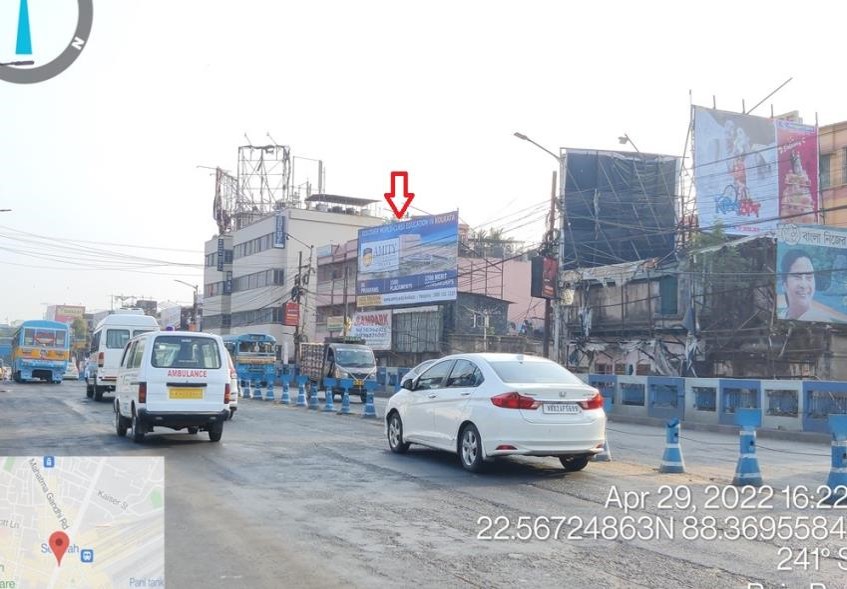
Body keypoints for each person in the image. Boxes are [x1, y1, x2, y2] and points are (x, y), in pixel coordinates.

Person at [780, 249, 831, 321]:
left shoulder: (822, 320)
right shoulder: (781, 316)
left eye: (809, 277)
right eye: (797, 276)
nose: (804, 285)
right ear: (784, 284)